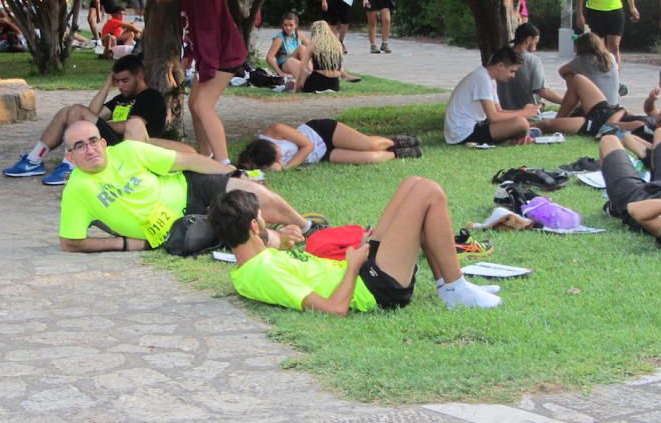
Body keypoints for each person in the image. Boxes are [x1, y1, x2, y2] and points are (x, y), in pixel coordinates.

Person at [208, 178, 505, 315]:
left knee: (413, 184)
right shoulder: (262, 271)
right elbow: (333, 309)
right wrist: (351, 267)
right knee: (429, 193)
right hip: (373, 287)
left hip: (362, 268)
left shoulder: (256, 260)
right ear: (253, 227)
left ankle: (449, 286)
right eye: (263, 217)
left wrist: (358, 252)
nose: (268, 220)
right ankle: (455, 287)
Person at [58, 120, 321, 252]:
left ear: (104, 143)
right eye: (79, 146)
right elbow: (70, 242)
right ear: (70, 157)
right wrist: (125, 244)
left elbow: (188, 161)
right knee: (236, 228)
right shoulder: (77, 190)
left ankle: (309, 228)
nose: (89, 149)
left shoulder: (127, 151)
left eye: (93, 141)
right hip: (174, 229)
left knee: (248, 191)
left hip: (189, 188)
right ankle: (281, 238)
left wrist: (236, 174)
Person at [3, 55, 174, 185]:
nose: (121, 85)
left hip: (128, 147)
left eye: (125, 80)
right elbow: (94, 113)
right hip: (112, 143)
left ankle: (72, 165)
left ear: (140, 76)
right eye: (117, 81)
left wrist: (95, 128)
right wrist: (107, 86)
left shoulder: (150, 96)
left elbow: (130, 126)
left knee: (77, 110)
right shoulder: (121, 98)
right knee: (67, 111)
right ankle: (34, 159)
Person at [140, 0, 247, 164]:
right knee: (194, 103)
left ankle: (223, 163)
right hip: (214, 56)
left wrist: (207, 67)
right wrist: (190, 52)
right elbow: (193, 26)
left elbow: (207, 29)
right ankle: (205, 157)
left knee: (203, 106)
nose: (158, 0)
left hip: (223, 55)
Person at [444, 47, 539, 145]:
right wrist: (523, 113)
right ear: (500, 66)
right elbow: (493, 117)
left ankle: (517, 136)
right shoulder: (482, 78)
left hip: (472, 128)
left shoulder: (490, 79)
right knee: (521, 123)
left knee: (520, 121)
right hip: (463, 134)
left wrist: (524, 112)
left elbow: (499, 111)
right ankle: (517, 136)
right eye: (512, 71)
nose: (513, 76)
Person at [237, 121, 421, 170]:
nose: (280, 156)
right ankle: (401, 153)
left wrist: (288, 166)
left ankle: (395, 142)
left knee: (368, 145)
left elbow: (307, 146)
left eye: (278, 152)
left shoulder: (275, 131)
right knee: (369, 158)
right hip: (322, 155)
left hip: (322, 133)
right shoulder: (264, 160)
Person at [535, 73, 646, 137]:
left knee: (546, 125)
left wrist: (621, 111)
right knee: (578, 79)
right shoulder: (653, 121)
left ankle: (521, 128)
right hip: (606, 111)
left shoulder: (645, 127)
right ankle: (560, 118)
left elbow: (610, 126)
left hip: (598, 124)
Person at [495, 23, 563, 111]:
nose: (536, 47)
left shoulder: (498, 57)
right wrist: (565, 102)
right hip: (529, 115)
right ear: (528, 39)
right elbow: (543, 92)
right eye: (535, 42)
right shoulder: (533, 60)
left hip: (503, 113)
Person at [558, 31, 621, 109]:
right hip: (614, 104)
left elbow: (561, 71)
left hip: (596, 108)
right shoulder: (611, 57)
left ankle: (573, 104)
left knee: (572, 77)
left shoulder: (582, 60)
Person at [297, 20, 358, 93]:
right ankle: (345, 76)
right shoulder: (337, 44)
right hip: (334, 84)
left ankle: (298, 89)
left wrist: (296, 85)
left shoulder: (314, 43)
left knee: (305, 72)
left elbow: (302, 66)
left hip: (317, 83)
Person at [265, 12, 307, 79]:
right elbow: (269, 57)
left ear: (296, 25)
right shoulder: (279, 38)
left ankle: (310, 73)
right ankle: (307, 75)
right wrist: (280, 73)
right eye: (285, 25)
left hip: (298, 62)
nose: (288, 28)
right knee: (301, 49)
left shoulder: (300, 35)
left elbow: (312, 49)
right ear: (282, 25)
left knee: (303, 48)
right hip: (285, 64)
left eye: (291, 25)